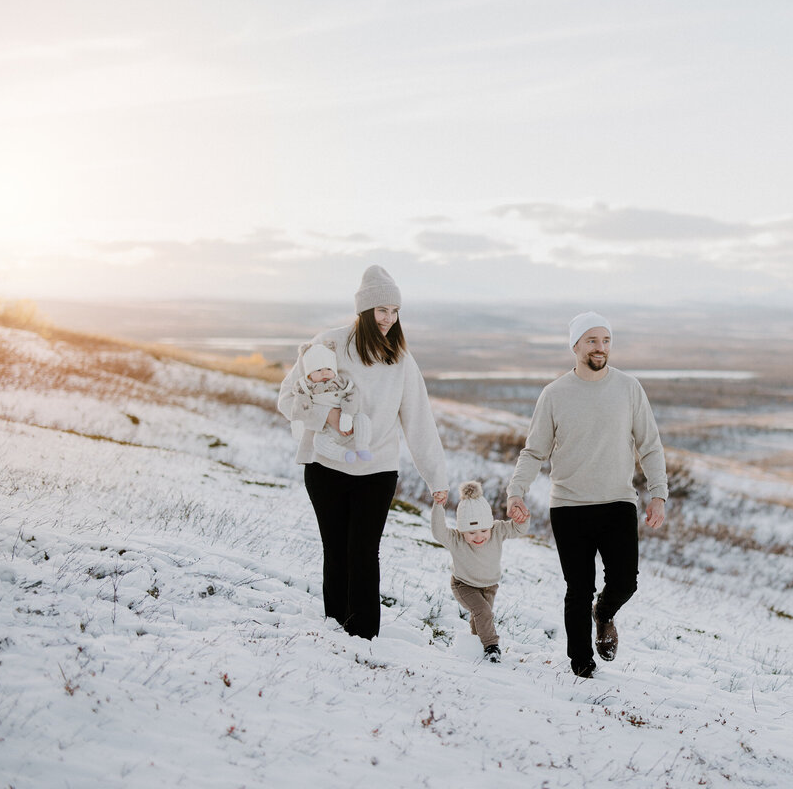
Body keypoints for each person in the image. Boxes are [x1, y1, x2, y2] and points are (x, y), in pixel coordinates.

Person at [278, 265, 449, 640]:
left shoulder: (400, 359)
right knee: (336, 552)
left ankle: (365, 637)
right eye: (381, 310)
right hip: (326, 467)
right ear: (364, 311)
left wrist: (437, 478)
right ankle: (334, 630)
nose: (389, 319)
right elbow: (288, 398)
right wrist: (331, 414)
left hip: (377, 471)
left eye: (395, 311)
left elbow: (419, 422)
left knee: (364, 553)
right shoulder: (329, 345)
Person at [506, 311, 667, 678]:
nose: (600, 348)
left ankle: (604, 613)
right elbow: (534, 451)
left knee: (625, 582)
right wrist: (516, 491)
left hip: (618, 503)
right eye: (592, 341)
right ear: (575, 346)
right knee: (578, 589)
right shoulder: (555, 394)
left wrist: (659, 493)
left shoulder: (629, 388)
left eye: (606, 340)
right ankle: (582, 665)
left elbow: (650, 446)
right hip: (569, 507)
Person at [429, 480, 529, 662]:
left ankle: (475, 648)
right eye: (471, 532)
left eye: (483, 530)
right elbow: (438, 532)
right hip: (464, 585)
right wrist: (438, 507)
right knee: (483, 612)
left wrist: (521, 516)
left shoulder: (497, 530)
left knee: (480, 620)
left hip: (490, 586)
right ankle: (492, 646)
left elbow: (518, 529)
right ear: (461, 530)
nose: (479, 537)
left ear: (490, 525)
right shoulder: (456, 539)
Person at [287, 339, 373, 464]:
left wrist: (347, 415)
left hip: (349, 421)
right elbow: (300, 404)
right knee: (319, 442)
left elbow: (352, 395)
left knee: (363, 419)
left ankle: (362, 447)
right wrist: (298, 421)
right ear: (309, 375)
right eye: (318, 370)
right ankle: (344, 454)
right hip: (326, 429)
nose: (324, 373)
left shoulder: (341, 382)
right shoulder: (306, 387)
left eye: (328, 368)